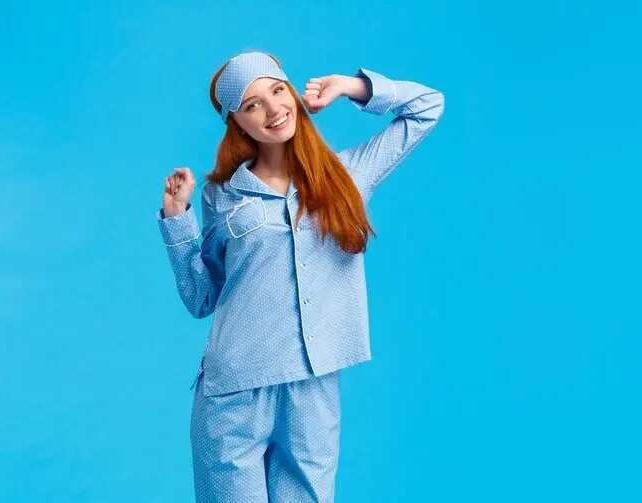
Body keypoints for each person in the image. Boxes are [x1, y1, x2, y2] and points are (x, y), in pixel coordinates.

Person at [156, 51, 444, 502]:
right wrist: (177, 222)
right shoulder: (221, 197)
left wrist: (352, 87)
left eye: (277, 91)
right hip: (234, 393)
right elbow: (200, 298)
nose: (273, 110)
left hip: (312, 388)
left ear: (291, 92)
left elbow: (427, 106)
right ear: (238, 124)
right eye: (252, 105)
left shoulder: (347, 175)